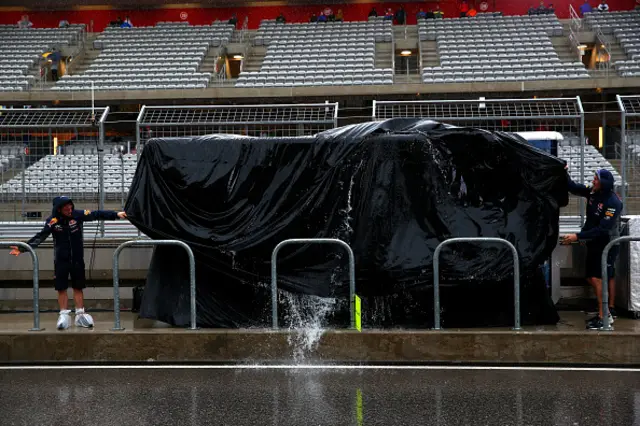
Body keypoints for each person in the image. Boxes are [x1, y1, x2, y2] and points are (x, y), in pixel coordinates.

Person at [10, 196, 127, 330]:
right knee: (61, 288)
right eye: (66, 209)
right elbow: (41, 236)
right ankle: (64, 315)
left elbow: (97, 214)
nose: (69, 210)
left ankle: (80, 314)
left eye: (70, 207)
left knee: (78, 287)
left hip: (77, 260)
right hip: (61, 260)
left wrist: (117, 214)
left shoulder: (78, 215)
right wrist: (22, 248)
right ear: (59, 209)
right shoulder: (52, 221)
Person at [561, 168, 622, 330]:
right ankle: (605, 311)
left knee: (600, 277)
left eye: (596, 178)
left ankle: (605, 316)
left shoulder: (613, 202)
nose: (593, 180)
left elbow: (603, 229)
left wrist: (578, 236)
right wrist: (563, 171)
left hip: (607, 243)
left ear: (603, 183)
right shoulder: (593, 192)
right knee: (591, 277)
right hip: (594, 241)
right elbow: (573, 187)